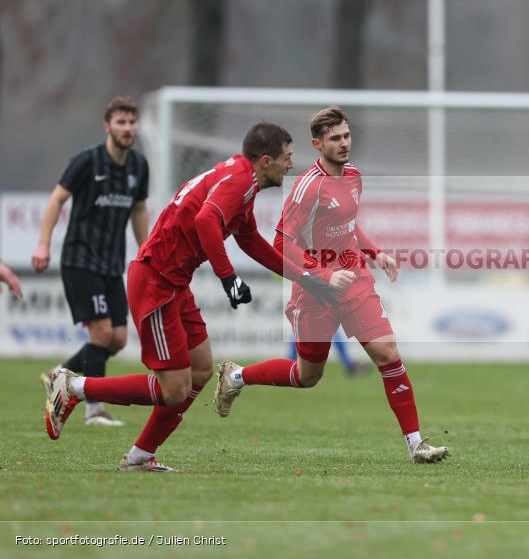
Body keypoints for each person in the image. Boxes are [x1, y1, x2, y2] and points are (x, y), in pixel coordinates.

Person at [43, 122, 335, 471]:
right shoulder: (239, 180)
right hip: (155, 281)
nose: (291, 165)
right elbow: (205, 220)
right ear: (266, 160)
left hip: (174, 284)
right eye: (287, 158)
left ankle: (141, 456)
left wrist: (303, 276)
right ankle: (74, 386)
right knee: (173, 390)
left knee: (200, 369)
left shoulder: (243, 181)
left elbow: (250, 240)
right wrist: (228, 278)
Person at [213, 106, 450, 464]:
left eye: (347, 136)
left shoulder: (354, 176)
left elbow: (349, 225)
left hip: (355, 280)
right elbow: (282, 243)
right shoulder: (308, 187)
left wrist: (376, 253)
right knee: (307, 375)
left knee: (388, 354)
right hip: (315, 291)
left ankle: (416, 444)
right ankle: (237, 376)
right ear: (317, 144)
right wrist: (323, 276)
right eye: (335, 138)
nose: (344, 144)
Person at [33, 97, 150, 427]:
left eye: (131, 122)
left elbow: (139, 211)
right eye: (121, 122)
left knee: (118, 339)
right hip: (80, 259)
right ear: (107, 126)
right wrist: (43, 244)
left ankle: (58, 375)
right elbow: (57, 199)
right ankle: (93, 409)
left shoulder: (139, 166)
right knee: (101, 335)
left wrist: (147, 252)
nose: (127, 128)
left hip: (112, 265)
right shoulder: (86, 162)